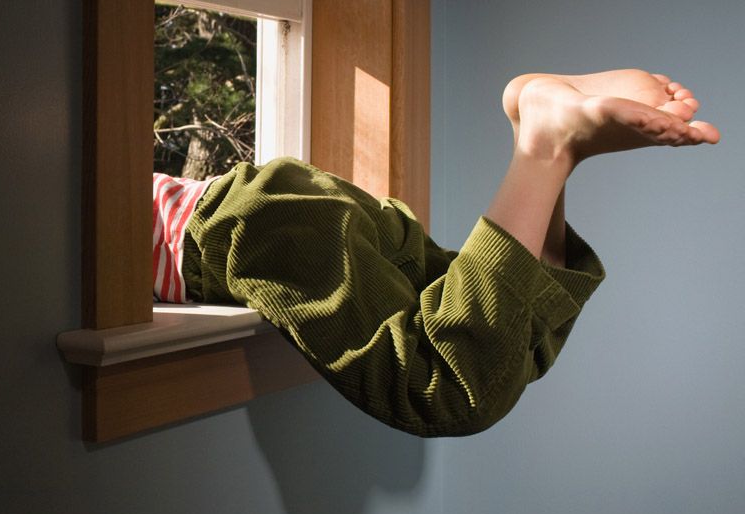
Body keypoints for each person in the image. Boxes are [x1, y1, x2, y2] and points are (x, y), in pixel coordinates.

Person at [152, 69, 720, 437]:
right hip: (295, 205)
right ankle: (545, 131)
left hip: (245, 225)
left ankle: (546, 146)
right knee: (510, 340)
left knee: (449, 387)